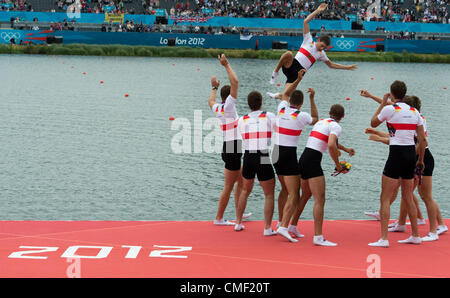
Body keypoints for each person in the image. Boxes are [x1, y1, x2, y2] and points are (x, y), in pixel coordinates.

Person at [362, 94, 448, 241]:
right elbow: (397, 135)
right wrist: (376, 131)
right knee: (407, 192)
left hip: (423, 158)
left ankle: (436, 228)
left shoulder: (418, 119)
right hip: (412, 158)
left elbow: (420, 143)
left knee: (425, 195)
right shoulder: (410, 115)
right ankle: (403, 222)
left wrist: (379, 138)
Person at [366, 81, 427, 248]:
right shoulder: (415, 112)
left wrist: (383, 103)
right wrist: (420, 160)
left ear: (392, 93)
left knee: (385, 197)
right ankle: (416, 235)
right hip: (410, 156)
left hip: (396, 154)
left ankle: (384, 238)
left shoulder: (389, 109)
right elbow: (422, 140)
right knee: (407, 196)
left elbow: (373, 123)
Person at [290, 104, 355, 246]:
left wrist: (346, 149)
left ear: (329, 112)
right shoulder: (337, 127)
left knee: (306, 195)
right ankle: (318, 237)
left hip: (304, 158)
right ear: (342, 116)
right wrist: (337, 165)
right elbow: (331, 145)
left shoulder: (322, 122)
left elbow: (330, 142)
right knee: (320, 199)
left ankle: (293, 225)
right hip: (313, 161)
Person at [267, 3, 357, 100]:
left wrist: (347, 67)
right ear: (318, 40)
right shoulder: (308, 40)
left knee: (287, 96)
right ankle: (275, 72)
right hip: (291, 64)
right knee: (288, 53)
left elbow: (331, 65)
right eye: (322, 46)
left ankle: (276, 95)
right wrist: (317, 11)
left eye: (324, 48)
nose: (322, 48)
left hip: (298, 74)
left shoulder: (321, 54)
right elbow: (305, 22)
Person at [271, 70, 319, 242]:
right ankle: (284, 226)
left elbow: (285, 93)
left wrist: (298, 79)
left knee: (285, 189)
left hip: (275, 152)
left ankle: (280, 221)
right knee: (295, 193)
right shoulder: (301, 115)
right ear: (301, 103)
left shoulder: (281, 107)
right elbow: (315, 118)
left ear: (290, 101)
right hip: (288, 153)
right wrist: (312, 98)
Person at [209, 54, 251, 226]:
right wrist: (226, 65)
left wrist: (214, 87)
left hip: (230, 147)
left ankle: (239, 212)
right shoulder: (229, 107)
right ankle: (219, 218)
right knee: (229, 185)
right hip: (232, 148)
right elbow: (235, 82)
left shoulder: (217, 107)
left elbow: (210, 100)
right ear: (230, 97)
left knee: (240, 181)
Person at [235, 91, 277, 236]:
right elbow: (278, 130)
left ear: (249, 104)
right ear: (261, 102)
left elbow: (242, 135)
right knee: (269, 194)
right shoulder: (269, 116)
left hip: (248, 156)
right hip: (263, 155)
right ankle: (267, 228)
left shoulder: (241, 120)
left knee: (245, 191)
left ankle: (238, 223)